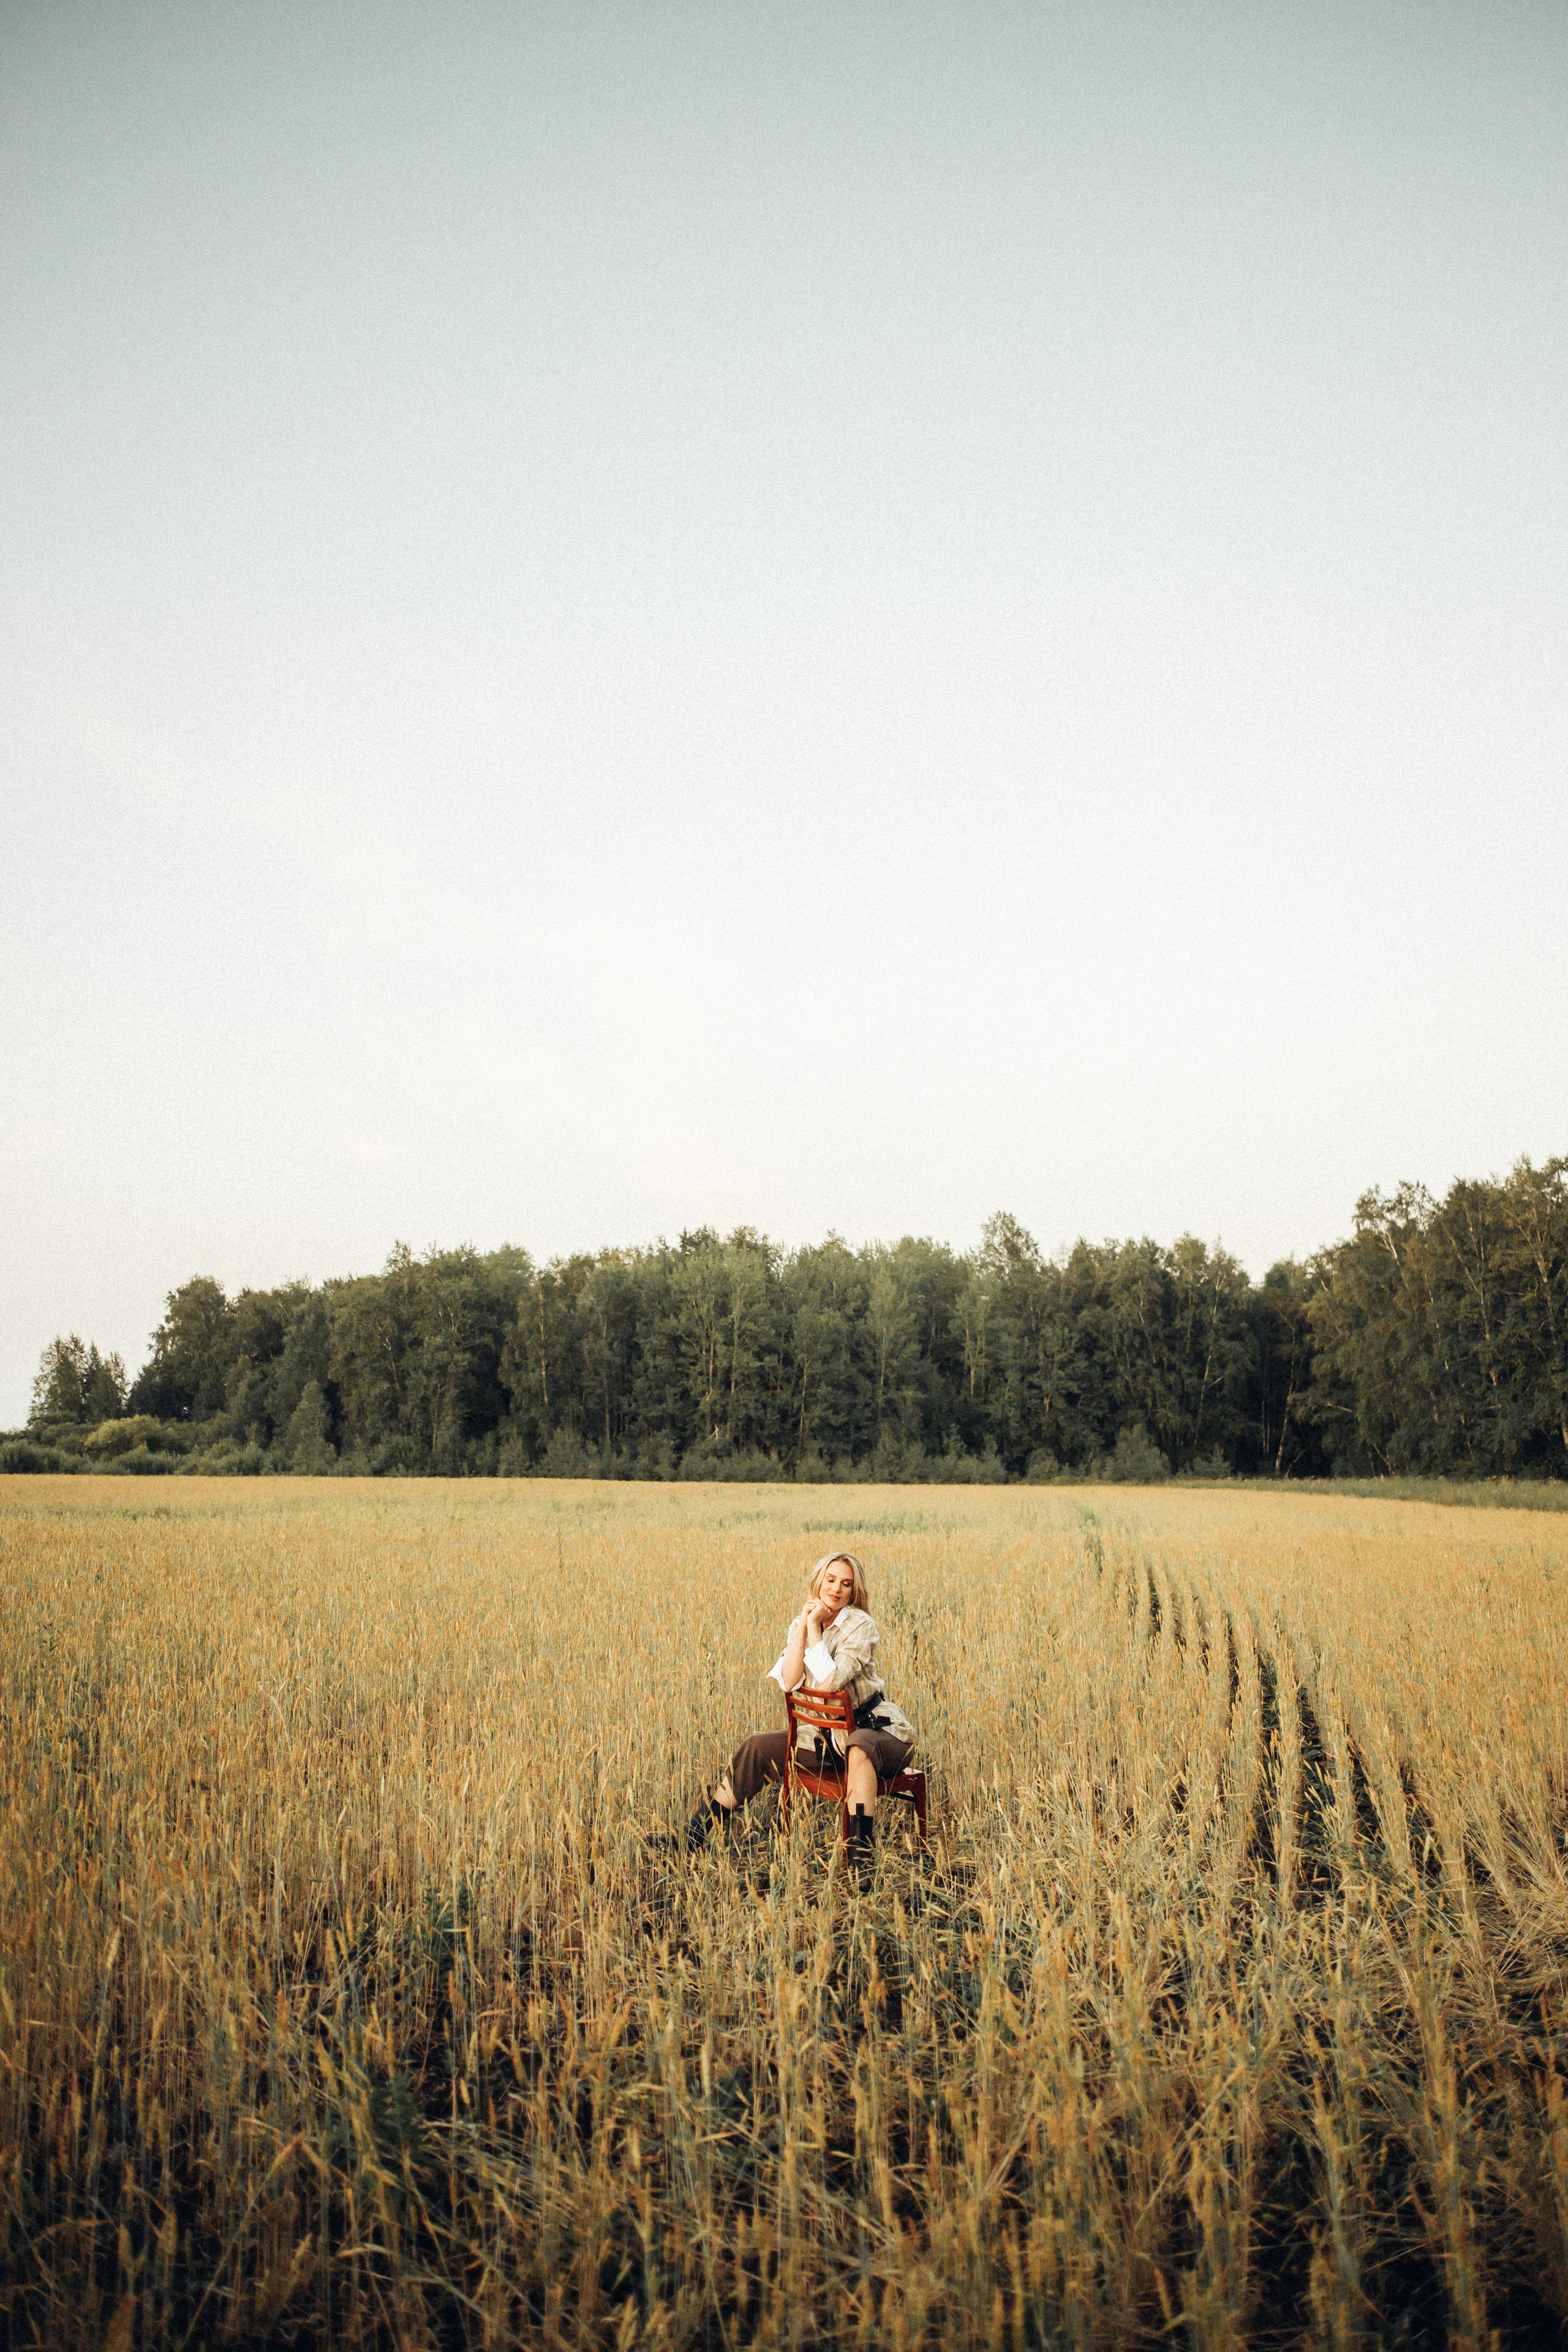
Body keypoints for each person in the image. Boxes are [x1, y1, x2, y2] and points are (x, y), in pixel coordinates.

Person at [668, 1550, 915, 1889]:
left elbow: (829, 1682)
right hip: (827, 1737)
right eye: (830, 1580)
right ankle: (692, 1837)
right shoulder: (802, 1623)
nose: (836, 1590)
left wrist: (814, 1628)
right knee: (757, 1747)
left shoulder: (860, 1625)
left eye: (846, 1584)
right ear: (818, 1580)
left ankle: (861, 1862)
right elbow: (789, 1679)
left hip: (877, 1731)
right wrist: (804, 1628)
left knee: (859, 1746)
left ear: (854, 1591)